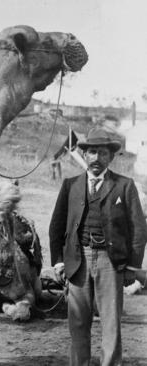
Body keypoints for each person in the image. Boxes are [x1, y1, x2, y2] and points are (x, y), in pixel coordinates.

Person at [49, 127, 147, 366]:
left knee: (111, 322)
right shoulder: (71, 185)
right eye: (92, 152)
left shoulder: (124, 186)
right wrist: (59, 261)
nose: (96, 158)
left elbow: (139, 229)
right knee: (78, 321)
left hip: (110, 262)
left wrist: (132, 267)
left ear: (110, 157)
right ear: (85, 154)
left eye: (102, 153)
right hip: (77, 260)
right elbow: (57, 226)